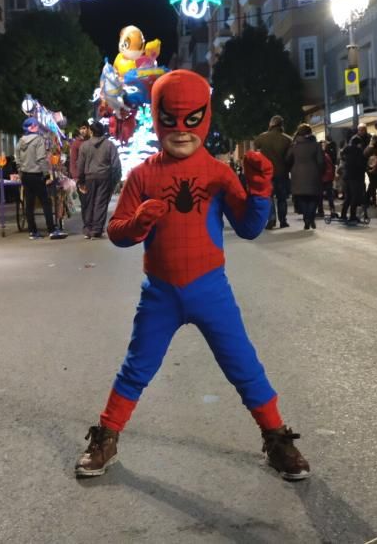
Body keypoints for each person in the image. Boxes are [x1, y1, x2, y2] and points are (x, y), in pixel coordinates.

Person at [75, 70, 310, 481]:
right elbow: (117, 233)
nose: (181, 131)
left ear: (205, 117)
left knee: (243, 365)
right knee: (137, 367)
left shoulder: (219, 173)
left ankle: (276, 437)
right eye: (171, 119)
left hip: (210, 289)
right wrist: (137, 224)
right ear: (156, 117)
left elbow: (251, 228)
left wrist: (258, 190)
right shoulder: (143, 174)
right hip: (161, 293)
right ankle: (107, 437)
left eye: (191, 119)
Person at [15, 117, 65, 240]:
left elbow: (18, 160)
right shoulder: (38, 140)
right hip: (37, 174)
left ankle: (32, 231)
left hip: (25, 175)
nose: (38, 127)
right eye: (35, 125)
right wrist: (46, 174)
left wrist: (21, 172)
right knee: (46, 202)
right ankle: (52, 230)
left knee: (29, 204)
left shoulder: (20, 142)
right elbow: (41, 159)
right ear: (31, 127)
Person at [76, 121, 121, 239]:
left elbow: (80, 165)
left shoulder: (84, 146)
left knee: (88, 203)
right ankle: (97, 229)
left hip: (89, 177)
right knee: (100, 203)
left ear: (91, 131)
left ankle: (88, 228)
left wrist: (80, 180)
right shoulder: (109, 145)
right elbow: (116, 164)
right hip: (104, 177)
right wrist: (115, 179)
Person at [254, 115, 292, 229]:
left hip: (267, 173)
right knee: (282, 198)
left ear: (271, 124)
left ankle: (271, 219)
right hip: (282, 173)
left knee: (268, 197)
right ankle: (283, 220)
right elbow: (290, 157)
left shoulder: (262, 137)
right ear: (281, 125)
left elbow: (256, 148)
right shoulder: (288, 139)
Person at [286, 124, 323, 230]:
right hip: (313, 174)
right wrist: (320, 172)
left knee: (302, 198)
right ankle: (310, 218)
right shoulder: (316, 145)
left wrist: (292, 168)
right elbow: (320, 161)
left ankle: (307, 218)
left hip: (297, 175)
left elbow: (287, 159)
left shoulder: (294, 145)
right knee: (313, 198)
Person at [339, 135, 367, 223]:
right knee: (354, 197)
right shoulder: (358, 151)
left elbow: (343, 160)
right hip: (355, 177)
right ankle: (353, 215)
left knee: (348, 197)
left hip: (346, 176)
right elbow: (360, 164)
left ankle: (343, 215)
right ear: (358, 144)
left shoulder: (346, 150)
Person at [317, 140, 336, 218]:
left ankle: (321, 211)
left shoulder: (321, 155)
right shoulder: (327, 154)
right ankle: (332, 211)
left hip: (323, 177)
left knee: (320, 195)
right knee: (329, 195)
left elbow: (321, 167)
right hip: (329, 177)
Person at [364, 136, 377, 208]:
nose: (373, 141)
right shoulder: (370, 147)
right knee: (373, 186)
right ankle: (374, 203)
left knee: (376, 187)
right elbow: (365, 154)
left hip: (376, 169)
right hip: (371, 169)